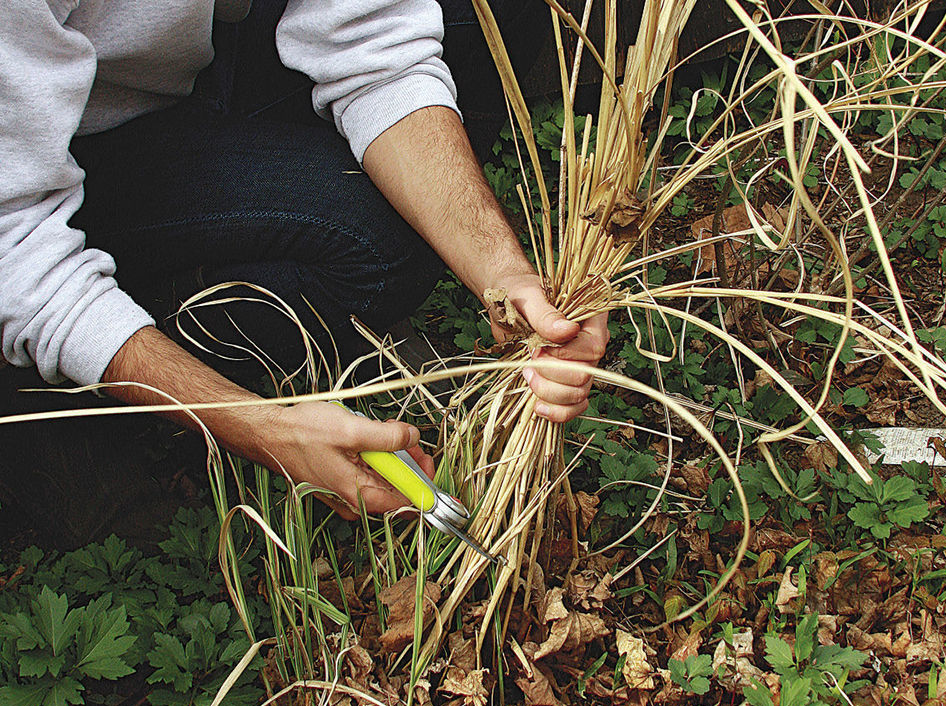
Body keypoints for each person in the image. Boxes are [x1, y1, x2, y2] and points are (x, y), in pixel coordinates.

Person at [0, 0, 609, 522]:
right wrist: (263, 428)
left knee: (479, 22)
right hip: (40, 161)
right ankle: (70, 385)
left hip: (178, 75)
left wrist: (505, 276)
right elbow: (14, 249)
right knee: (375, 239)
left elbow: (374, 45)